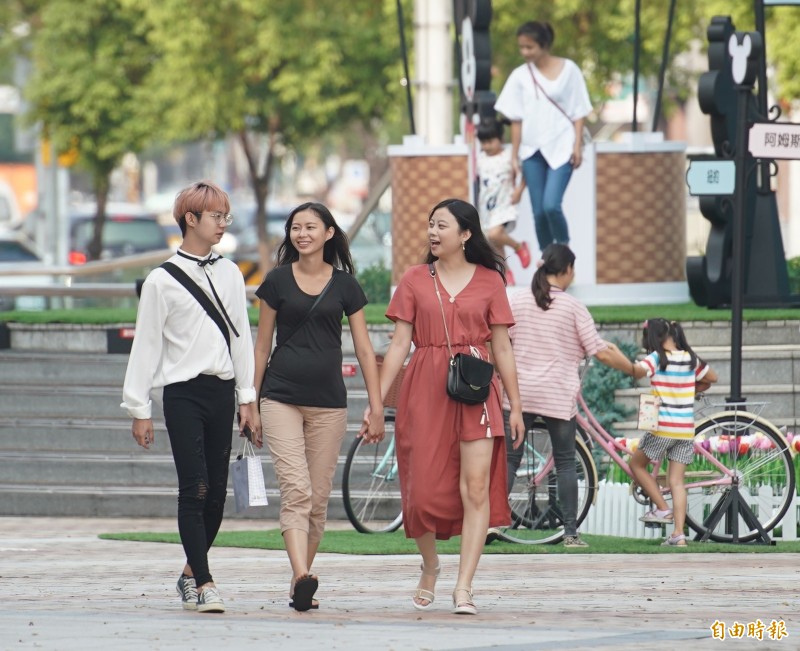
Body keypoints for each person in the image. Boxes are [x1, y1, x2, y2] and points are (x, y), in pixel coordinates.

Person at [372, 198, 526, 616]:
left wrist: (515, 405)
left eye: (442, 225)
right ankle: (431, 565)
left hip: (476, 389)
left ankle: (464, 586)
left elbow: (502, 346)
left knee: (475, 489)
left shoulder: (491, 281)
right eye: (430, 224)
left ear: (466, 234)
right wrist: (374, 402)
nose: (433, 232)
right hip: (424, 388)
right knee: (420, 492)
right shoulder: (414, 279)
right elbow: (400, 343)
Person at [121, 180, 257, 613]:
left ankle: (188, 575)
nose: (222, 224)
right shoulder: (161, 280)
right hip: (181, 394)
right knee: (193, 488)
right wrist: (139, 408)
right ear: (190, 220)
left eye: (226, 216)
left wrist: (247, 398)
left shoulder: (231, 272)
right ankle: (206, 583)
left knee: (216, 494)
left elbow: (241, 338)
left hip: (221, 391)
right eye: (216, 216)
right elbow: (147, 345)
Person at [252, 202, 384, 612]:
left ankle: (300, 581)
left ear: (329, 233)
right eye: (295, 227)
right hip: (280, 397)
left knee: (319, 500)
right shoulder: (275, 282)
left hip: (329, 403)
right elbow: (262, 345)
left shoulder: (345, 285)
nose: (301, 233)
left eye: (310, 227)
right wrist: (250, 403)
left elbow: (364, 347)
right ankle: (301, 576)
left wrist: (376, 404)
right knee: (297, 491)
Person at [501, 243, 636, 547]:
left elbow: (500, 343)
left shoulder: (517, 301)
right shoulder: (574, 307)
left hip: (518, 394)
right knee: (565, 461)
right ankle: (570, 533)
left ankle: (492, 524)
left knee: (509, 460)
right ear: (567, 270)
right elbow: (599, 351)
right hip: (556, 394)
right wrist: (632, 370)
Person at [494, 20, 592, 252]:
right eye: (522, 47)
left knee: (551, 205)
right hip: (531, 151)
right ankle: (547, 259)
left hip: (563, 147)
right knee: (538, 212)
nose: (525, 52)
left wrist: (577, 146)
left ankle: (563, 251)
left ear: (544, 45)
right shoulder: (519, 76)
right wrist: (514, 156)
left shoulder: (570, 70)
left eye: (529, 47)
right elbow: (515, 120)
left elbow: (579, 111)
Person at [630, 319, 718, 548]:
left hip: (662, 427)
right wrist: (691, 389)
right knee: (676, 481)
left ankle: (662, 508)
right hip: (685, 429)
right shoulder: (690, 358)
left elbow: (638, 371)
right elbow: (712, 378)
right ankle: (679, 535)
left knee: (636, 465)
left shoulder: (658, 358)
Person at [476, 118, 531, 284]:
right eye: (483, 142)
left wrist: (519, 191)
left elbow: (526, 172)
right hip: (486, 206)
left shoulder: (509, 155)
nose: (486, 146)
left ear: (501, 138)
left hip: (505, 203)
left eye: (490, 142)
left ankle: (519, 247)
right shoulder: (480, 158)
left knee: (495, 234)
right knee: (493, 240)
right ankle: (507, 273)